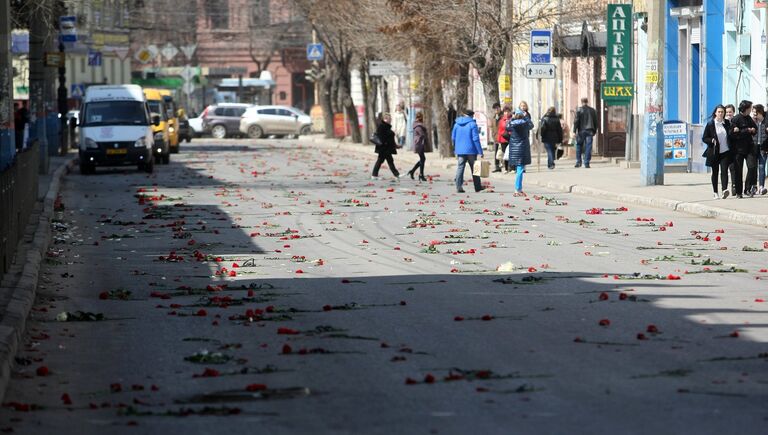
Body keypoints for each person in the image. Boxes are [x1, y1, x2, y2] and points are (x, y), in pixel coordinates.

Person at [727, 100, 757, 198]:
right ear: (745, 108)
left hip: (749, 147)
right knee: (738, 171)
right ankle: (739, 192)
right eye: (749, 108)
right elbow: (732, 133)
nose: (751, 110)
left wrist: (752, 130)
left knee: (752, 167)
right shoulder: (736, 119)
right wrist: (746, 130)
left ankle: (747, 188)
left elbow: (755, 128)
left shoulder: (749, 118)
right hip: (738, 149)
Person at [702, 105, 732, 199]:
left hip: (725, 151)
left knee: (724, 171)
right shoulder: (711, 124)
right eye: (719, 112)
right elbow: (704, 138)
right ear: (715, 113)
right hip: (714, 152)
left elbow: (731, 132)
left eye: (722, 112)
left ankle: (724, 190)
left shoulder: (727, 123)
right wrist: (711, 140)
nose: (720, 114)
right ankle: (715, 192)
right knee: (715, 172)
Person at [452, 109, 484, 193]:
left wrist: (456, 149)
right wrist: (480, 151)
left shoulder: (456, 124)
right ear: (471, 116)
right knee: (475, 168)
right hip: (471, 150)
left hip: (460, 150)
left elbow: (453, 138)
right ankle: (477, 187)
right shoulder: (472, 124)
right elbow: (475, 139)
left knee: (460, 168)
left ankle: (458, 186)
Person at [505, 109, 534, 194]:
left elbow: (507, 127)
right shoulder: (525, 124)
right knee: (520, 169)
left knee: (519, 169)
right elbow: (531, 125)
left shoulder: (512, 124)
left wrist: (512, 118)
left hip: (514, 149)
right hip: (522, 148)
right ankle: (518, 188)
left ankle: (518, 188)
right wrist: (526, 117)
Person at [371, 112, 401, 180]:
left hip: (386, 148)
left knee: (388, 161)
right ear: (385, 119)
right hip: (384, 148)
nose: (391, 120)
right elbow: (382, 138)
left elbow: (389, 138)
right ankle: (374, 175)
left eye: (391, 119)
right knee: (382, 161)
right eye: (389, 119)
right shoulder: (382, 126)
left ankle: (396, 174)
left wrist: (395, 145)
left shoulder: (386, 126)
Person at [572, 98, 598, 168]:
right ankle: (586, 163)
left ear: (581, 102)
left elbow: (576, 121)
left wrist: (574, 131)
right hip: (590, 131)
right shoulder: (592, 110)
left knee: (579, 145)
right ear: (587, 102)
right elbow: (596, 121)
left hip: (581, 131)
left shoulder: (579, 110)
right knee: (588, 146)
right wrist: (594, 131)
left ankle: (578, 162)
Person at [750, 104, 768, 195]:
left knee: (761, 167)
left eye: (755, 112)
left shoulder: (766, 122)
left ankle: (761, 187)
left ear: (760, 112)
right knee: (753, 167)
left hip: (763, 148)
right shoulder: (752, 121)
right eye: (753, 112)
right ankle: (754, 186)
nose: (754, 114)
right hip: (753, 148)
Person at [407, 112, 428, 181]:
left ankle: (414, 172)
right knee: (423, 159)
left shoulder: (417, 125)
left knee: (422, 159)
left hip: (419, 143)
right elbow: (422, 134)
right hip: (419, 144)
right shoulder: (419, 126)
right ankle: (420, 174)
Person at [494, 106, 511, 173]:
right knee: (505, 154)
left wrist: (510, 133)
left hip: (510, 138)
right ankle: (506, 168)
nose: (506, 113)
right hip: (503, 139)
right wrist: (500, 138)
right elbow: (500, 130)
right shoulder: (501, 120)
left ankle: (511, 167)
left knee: (510, 153)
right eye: (505, 112)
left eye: (507, 111)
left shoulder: (512, 119)